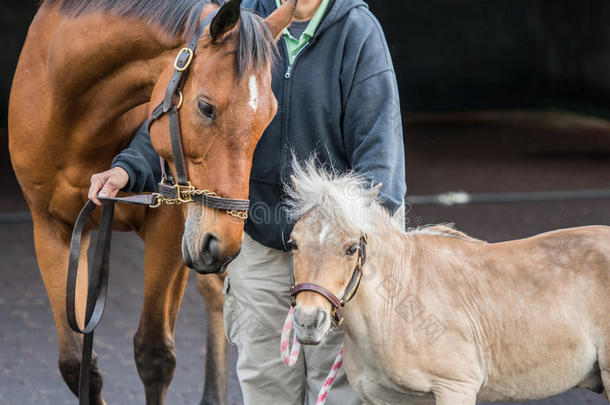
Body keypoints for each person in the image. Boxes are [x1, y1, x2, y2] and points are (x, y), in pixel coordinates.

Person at [88, 0, 406, 403]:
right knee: (265, 386)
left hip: (330, 255)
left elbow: (381, 156)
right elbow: (186, 112)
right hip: (258, 244)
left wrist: (368, 250)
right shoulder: (232, 23)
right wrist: (129, 169)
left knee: (340, 389)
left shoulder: (356, 32)